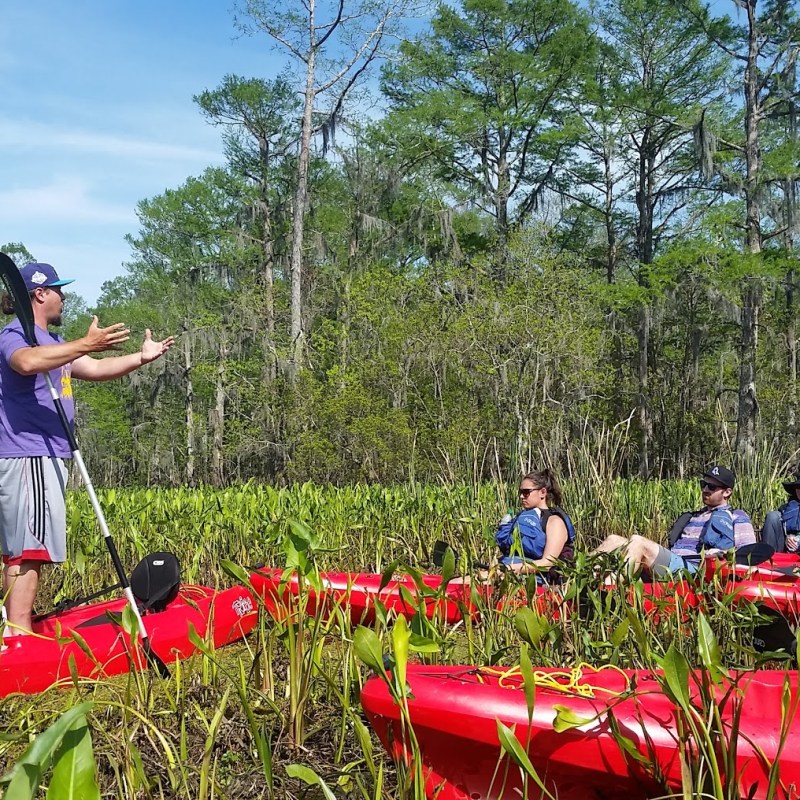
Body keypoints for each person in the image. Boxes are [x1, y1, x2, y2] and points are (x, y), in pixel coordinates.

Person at [0, 262, 174, 637]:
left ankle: (17, 630)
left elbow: (94, 367)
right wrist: (85, 342)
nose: (64, 297)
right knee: (29, 549)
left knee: (30, 547)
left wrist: (141, 358)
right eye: (58, 290)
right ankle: (17, 637)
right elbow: (25, 363)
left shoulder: (50, 343)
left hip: (48, 455)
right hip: (30, 453)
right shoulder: (16, 335)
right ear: (40, 294)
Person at [594, 465, 756, 579]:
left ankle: (607, 594)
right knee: (613, 540)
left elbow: (748, 557)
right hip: (674, 562)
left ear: (727, 492)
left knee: (638, 541)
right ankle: (577, 582)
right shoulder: (693, 516)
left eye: (711, 487)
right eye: (703, 484)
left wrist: (719, 556)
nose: (705, 489)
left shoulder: (738, 517)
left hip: (694, 571)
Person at [493, 468, 576, 580]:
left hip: (534, 579)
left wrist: (508, 569)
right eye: (520, 492)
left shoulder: (555, 522)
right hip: (508, 571)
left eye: (526, 492)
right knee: (462, 580)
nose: (521, 496)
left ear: (542, 492)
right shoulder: (520, 516)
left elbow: (546, 564)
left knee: (463, 582)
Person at [760, 469, 800, 554]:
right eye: (798, 487)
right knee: (772, 516)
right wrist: (788, 539)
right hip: (785, 548)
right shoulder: (787, 508)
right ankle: (768, 557)